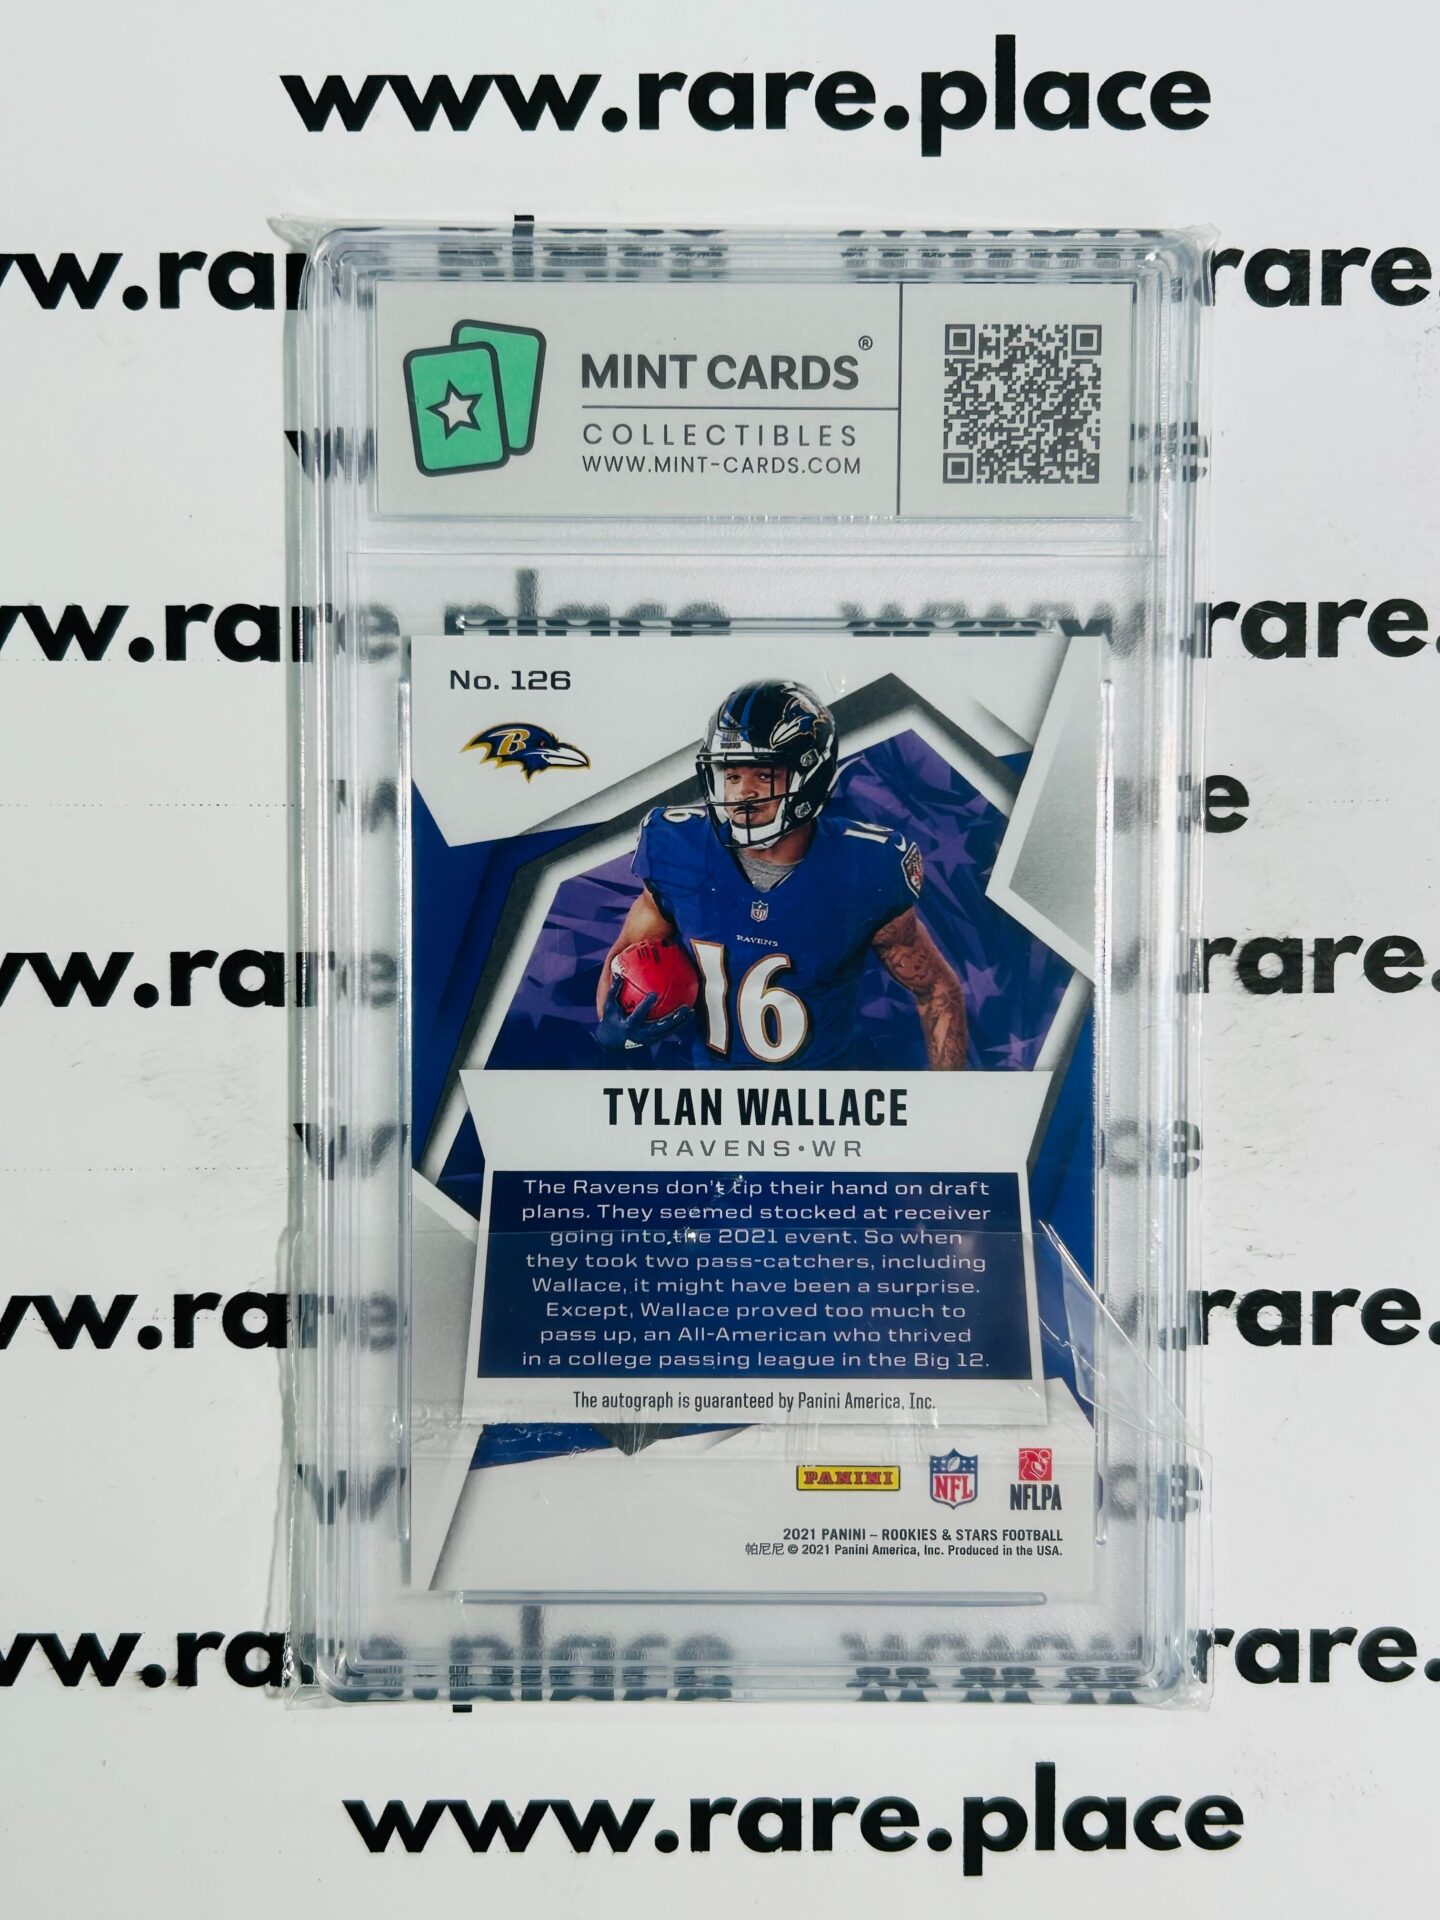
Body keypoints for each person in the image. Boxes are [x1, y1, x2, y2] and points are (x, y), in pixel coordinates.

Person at [595, 678, 967, 1069]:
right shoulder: (677, 848)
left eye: (763, 774)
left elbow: (937, 991)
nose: (742, 794)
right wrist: (613, 1025)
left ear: (811, 775)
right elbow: (626, 958)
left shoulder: (864, 866)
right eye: (732, 775)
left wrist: (944, 1098)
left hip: (826, 1095)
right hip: (714, 1095)